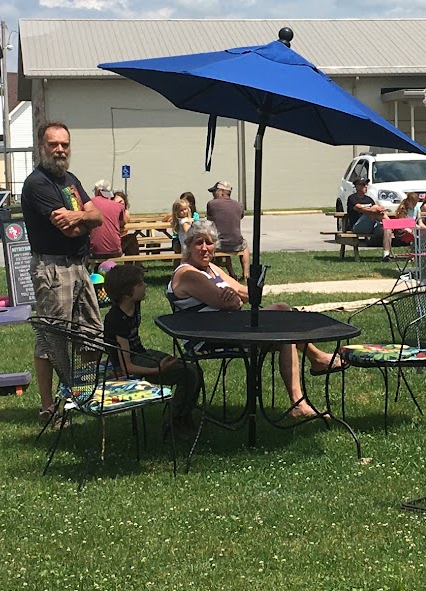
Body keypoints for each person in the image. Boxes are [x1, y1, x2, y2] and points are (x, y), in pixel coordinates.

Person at [168, 221, 339, 418]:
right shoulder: (188, 273)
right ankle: (315, 365)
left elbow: (248, 294)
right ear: (188, 246)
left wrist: (234, 294)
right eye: (199, 243)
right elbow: (232, 303)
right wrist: (232, 296)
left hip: (228, 327)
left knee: (283, 319)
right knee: (283, 320)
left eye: (209, 242)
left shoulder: (211, 269)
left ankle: (300, 397)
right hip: (207, 337)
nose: (205, 248)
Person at [21, 121, 104, 419]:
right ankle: (49, 407)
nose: (59, 150)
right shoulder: (38, 184)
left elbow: (98, 216)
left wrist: (78, 215)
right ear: (41, 147)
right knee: (52, 339)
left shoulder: (71, 180)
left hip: (79, 266)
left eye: (64, 145)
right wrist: (84, 218)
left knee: (91, 334)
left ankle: (81, 394)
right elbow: (69, 229)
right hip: (53, 268)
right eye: (53, 144)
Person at [100, 261, 201, 436]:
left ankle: (184, 417)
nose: (145, 286)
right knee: (188, 374)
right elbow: (126, 367)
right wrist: (158, 369)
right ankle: (173, 423)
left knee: (194, 369)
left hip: (141, 353)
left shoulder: (134, 305)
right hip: (130, 363)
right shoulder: (116, 319)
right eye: (140, 284)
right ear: (127, 292)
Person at [205, 180, 246, 274]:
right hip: (236, 243)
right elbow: (241, 217)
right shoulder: (239, 205)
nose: (213, 194)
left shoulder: (211, 204)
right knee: (245, 247)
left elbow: (209, 220)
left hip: (218, 244)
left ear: (221, 192)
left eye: (215, 191)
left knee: (214, 241)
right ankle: (245, 273)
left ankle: (214, 272)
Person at [342, 173, 386, 253]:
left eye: (366, 184)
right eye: (363, 184)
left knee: (385, 228)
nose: (366, 186)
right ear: (356, 186)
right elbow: (359, 208)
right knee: (375, 210)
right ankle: (394, 225)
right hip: (358, 227)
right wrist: (375, 210)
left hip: (372, 226)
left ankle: (386, 254)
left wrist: (380, 209)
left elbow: (377, 209)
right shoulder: (352, 198)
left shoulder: (369, 199)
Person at [88, 182, 126, 263]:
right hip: (115, 251)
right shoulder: (118, 206)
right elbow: (123, 222)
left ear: (98, 191)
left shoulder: (89, 203)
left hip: (94, 251)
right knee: (131, 239)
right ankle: (134, 265)